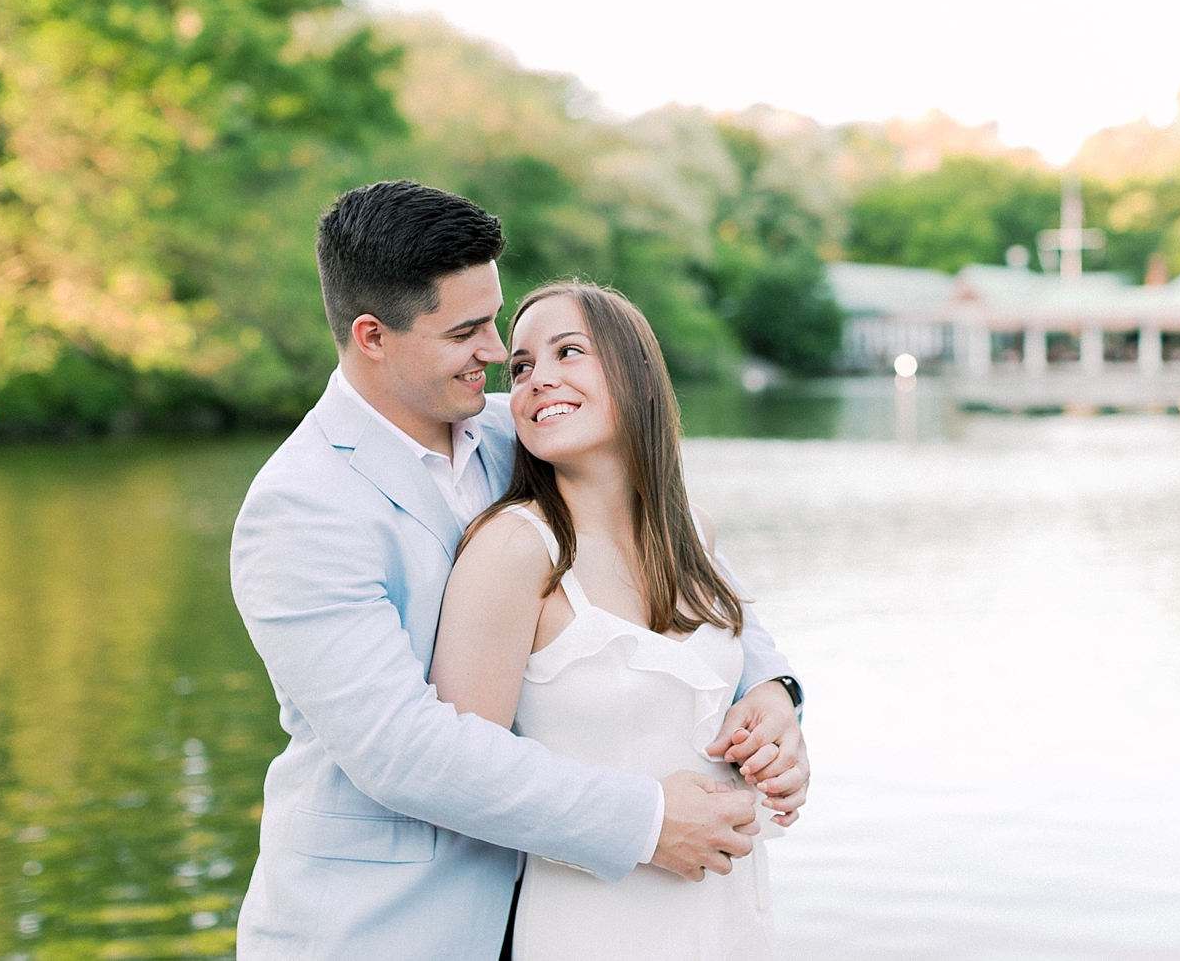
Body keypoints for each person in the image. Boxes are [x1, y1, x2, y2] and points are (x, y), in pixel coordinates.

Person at [230, 181, 808, 960]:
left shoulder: (523, 429)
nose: (501, 355)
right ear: (372, 334)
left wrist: (770, 687)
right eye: (468, 330)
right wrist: (643, 819)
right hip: (382, 928)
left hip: (567, 910)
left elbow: (686, 557)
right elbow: (402, 748)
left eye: (496, 320)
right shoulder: (300, 508)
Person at [430, 280, 795, 960]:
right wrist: (644, 819)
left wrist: (777, 730)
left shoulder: (693, 531)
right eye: (522, 366)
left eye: (569, 351)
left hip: (727, 915)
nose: (539, 379)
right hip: (597, 924)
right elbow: (465, 776)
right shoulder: (514, 548)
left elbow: (735, 677)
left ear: (641, 379)